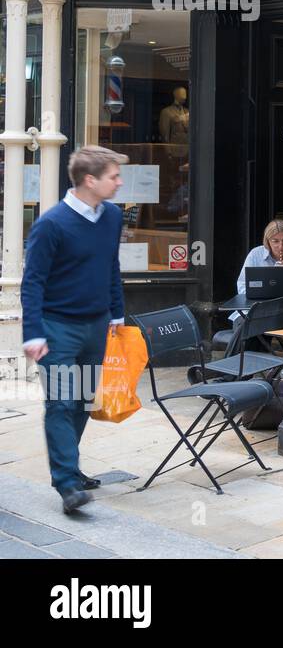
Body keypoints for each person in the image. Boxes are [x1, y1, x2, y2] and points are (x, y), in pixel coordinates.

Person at [21, 146, 128, 515]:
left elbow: (110, 266)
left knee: (83, 401)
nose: (119, 182)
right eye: (113, 176)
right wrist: (33, 332)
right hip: (58, 327)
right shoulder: (51, 224)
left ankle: (71, 469)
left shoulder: (112, 217)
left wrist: (117, 312)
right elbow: (32, 281)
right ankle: (67, 483)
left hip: (97, 325)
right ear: (89, 180)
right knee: (61, 403)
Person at [236, 219, 283, 296]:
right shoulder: (255, 254)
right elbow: (242, 286)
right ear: (267, 241)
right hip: (261, 304)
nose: (280, 247)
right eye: (275, 241)